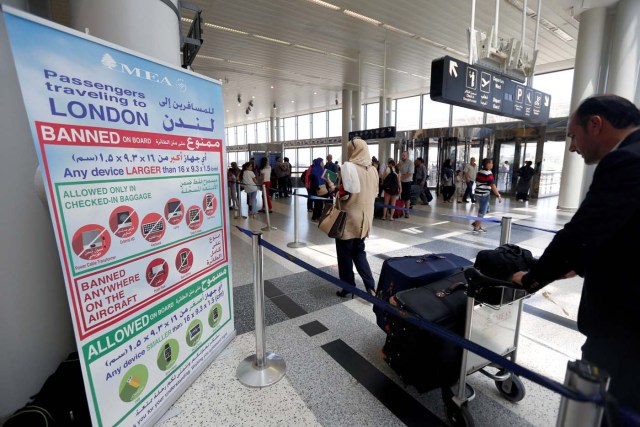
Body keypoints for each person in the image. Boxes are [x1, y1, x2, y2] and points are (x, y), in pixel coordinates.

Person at [512, 95, 640, 422]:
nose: (571, 146)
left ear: (595, 124)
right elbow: (622, 230)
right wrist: (578, 265)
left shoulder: (626, 160)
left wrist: (530, 280)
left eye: (572, 134)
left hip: (625, 330)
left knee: (611, 408)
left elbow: (581, 233)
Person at [334, 137, 378, 298]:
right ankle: (370, 286)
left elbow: (345, 196)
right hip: (365, 219)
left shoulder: (348, 167)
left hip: (348, 220)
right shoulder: (373, 169)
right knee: (359, 252)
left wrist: (335, 190)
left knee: (344, 255)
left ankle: (348, 287)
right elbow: (374, 193)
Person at [471, 158, 501, 232]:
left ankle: (476, 223)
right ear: (487, 164)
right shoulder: (488, 173)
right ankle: (476, 227)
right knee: (482, 211)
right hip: (483, 194)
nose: (492, 165)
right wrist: (498, 195)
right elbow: (492, 185)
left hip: (478, 193)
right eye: (491, 163)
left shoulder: (480, 171)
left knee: (486, 210)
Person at [308, 158, 327, 222]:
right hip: (319, 188)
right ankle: (317, 217)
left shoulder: (314, 169)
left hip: (315, 188)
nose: (323, 164)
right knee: (319, 204)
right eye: (322, 162)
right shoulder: (320, 170)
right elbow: (321, 180)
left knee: (317, 203)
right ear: (319, 163)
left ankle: (315, 217)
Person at [398, 151, 414, 218]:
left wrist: (401, 177)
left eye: (404, 155)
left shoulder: (410, 163)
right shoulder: (400, 162)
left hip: (407, 182)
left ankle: (407, 212)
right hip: (401, 182)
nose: (403, 156)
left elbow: (410, 173)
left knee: (407, 198)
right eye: (402, 155)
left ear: (407, 156)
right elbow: (398, 170)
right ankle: (402, 210)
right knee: (402, 197)